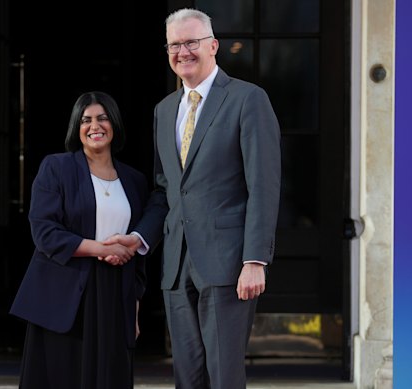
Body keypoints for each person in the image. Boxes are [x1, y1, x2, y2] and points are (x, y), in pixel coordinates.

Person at [105, 8, 281, 389]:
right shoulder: (164, 110)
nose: (182, 51)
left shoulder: (248, 100)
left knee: (224, 377)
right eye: (174, 44)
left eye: (191, 42)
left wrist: (255, 260)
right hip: (176, 264)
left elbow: (263, 187)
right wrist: (139, 238)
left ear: (213, 46)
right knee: (187, 378)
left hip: (228, 265)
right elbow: (166, 190)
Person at [10, 91, 149, 389]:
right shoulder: (56, 167)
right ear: (77, 127)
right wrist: (101, 248)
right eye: (86, 120)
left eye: (102, 118)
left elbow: (138, 255)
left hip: (115, 296)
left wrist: (134, 311)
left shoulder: (134, 180)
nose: (94, 126)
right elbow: (44, 232)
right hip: (66, 294)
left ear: (114, 125)